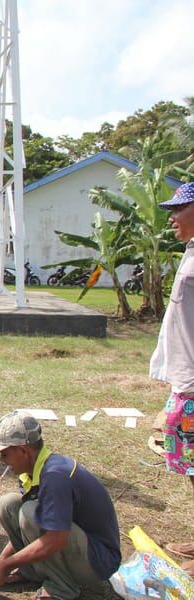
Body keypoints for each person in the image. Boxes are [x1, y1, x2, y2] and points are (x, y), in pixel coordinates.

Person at [0, 411, 121, 600]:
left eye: (5, 454)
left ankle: (61, 589)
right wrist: (1, 561)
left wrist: (5, 565)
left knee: (30, 513)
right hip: (76, 547)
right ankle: (30, 571)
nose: (2, 461)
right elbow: (28, 529)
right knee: (9, 504)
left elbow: (55, 539)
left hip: (97, 561)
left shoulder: (55, 477)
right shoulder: (34, 471)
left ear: (23, 451)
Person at [149, 181, 194, 574]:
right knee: (191, 462)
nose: (172, 218)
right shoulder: (190, 253)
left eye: (179, 209)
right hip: (186, 380)